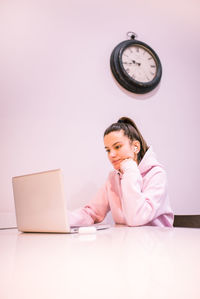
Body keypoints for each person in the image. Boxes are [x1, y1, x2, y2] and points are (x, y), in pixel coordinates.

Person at [69, 117, 174, 227]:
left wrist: (130, 170)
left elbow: (137, 218)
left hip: (157, 241)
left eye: (117, 147)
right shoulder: (113, 177)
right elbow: (92, 213)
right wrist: (65, 220)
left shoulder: (156, 174)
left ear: (135, 147)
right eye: (108, 150)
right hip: (127, 241)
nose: (111, 155)